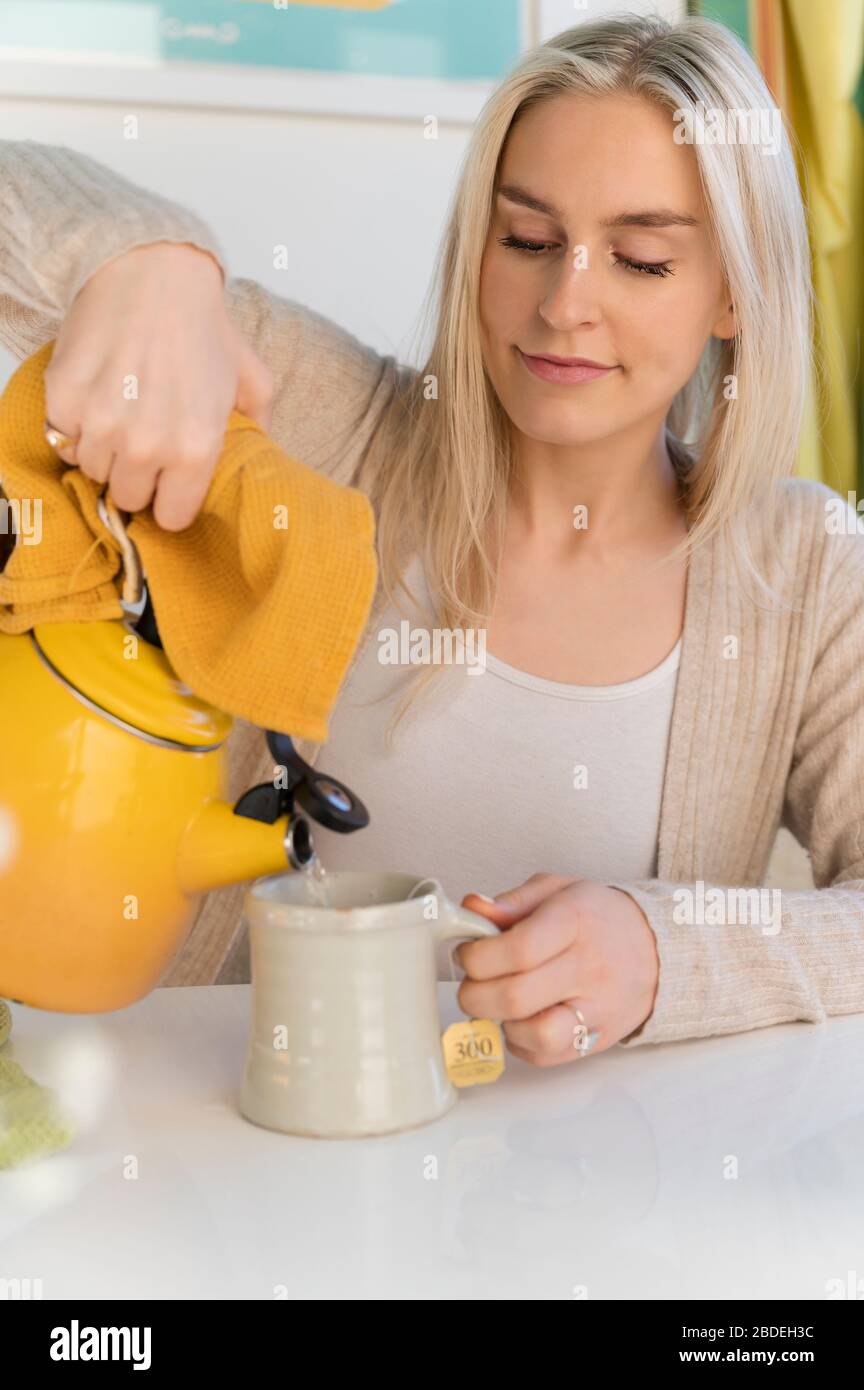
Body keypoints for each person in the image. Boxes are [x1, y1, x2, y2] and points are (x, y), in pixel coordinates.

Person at [1, 12, 862, 1062]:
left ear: (733, 291)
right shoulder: (315, 423)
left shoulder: (808, 571)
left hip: (604, 1207)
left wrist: (660, 951)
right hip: (222, 1173)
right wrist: (146, 263)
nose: (564, 304)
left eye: (639, 260)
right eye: (528, 239)